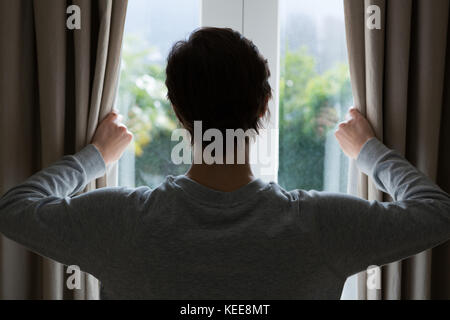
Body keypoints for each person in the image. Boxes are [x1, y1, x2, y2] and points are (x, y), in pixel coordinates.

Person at [0, 27, 449, 300]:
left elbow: (15, 208)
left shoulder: (120, 221)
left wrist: (94, 157)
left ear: (178, 112)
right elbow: (437, 213)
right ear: (264, 106)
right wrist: (369, 151)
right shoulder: (320, 224)